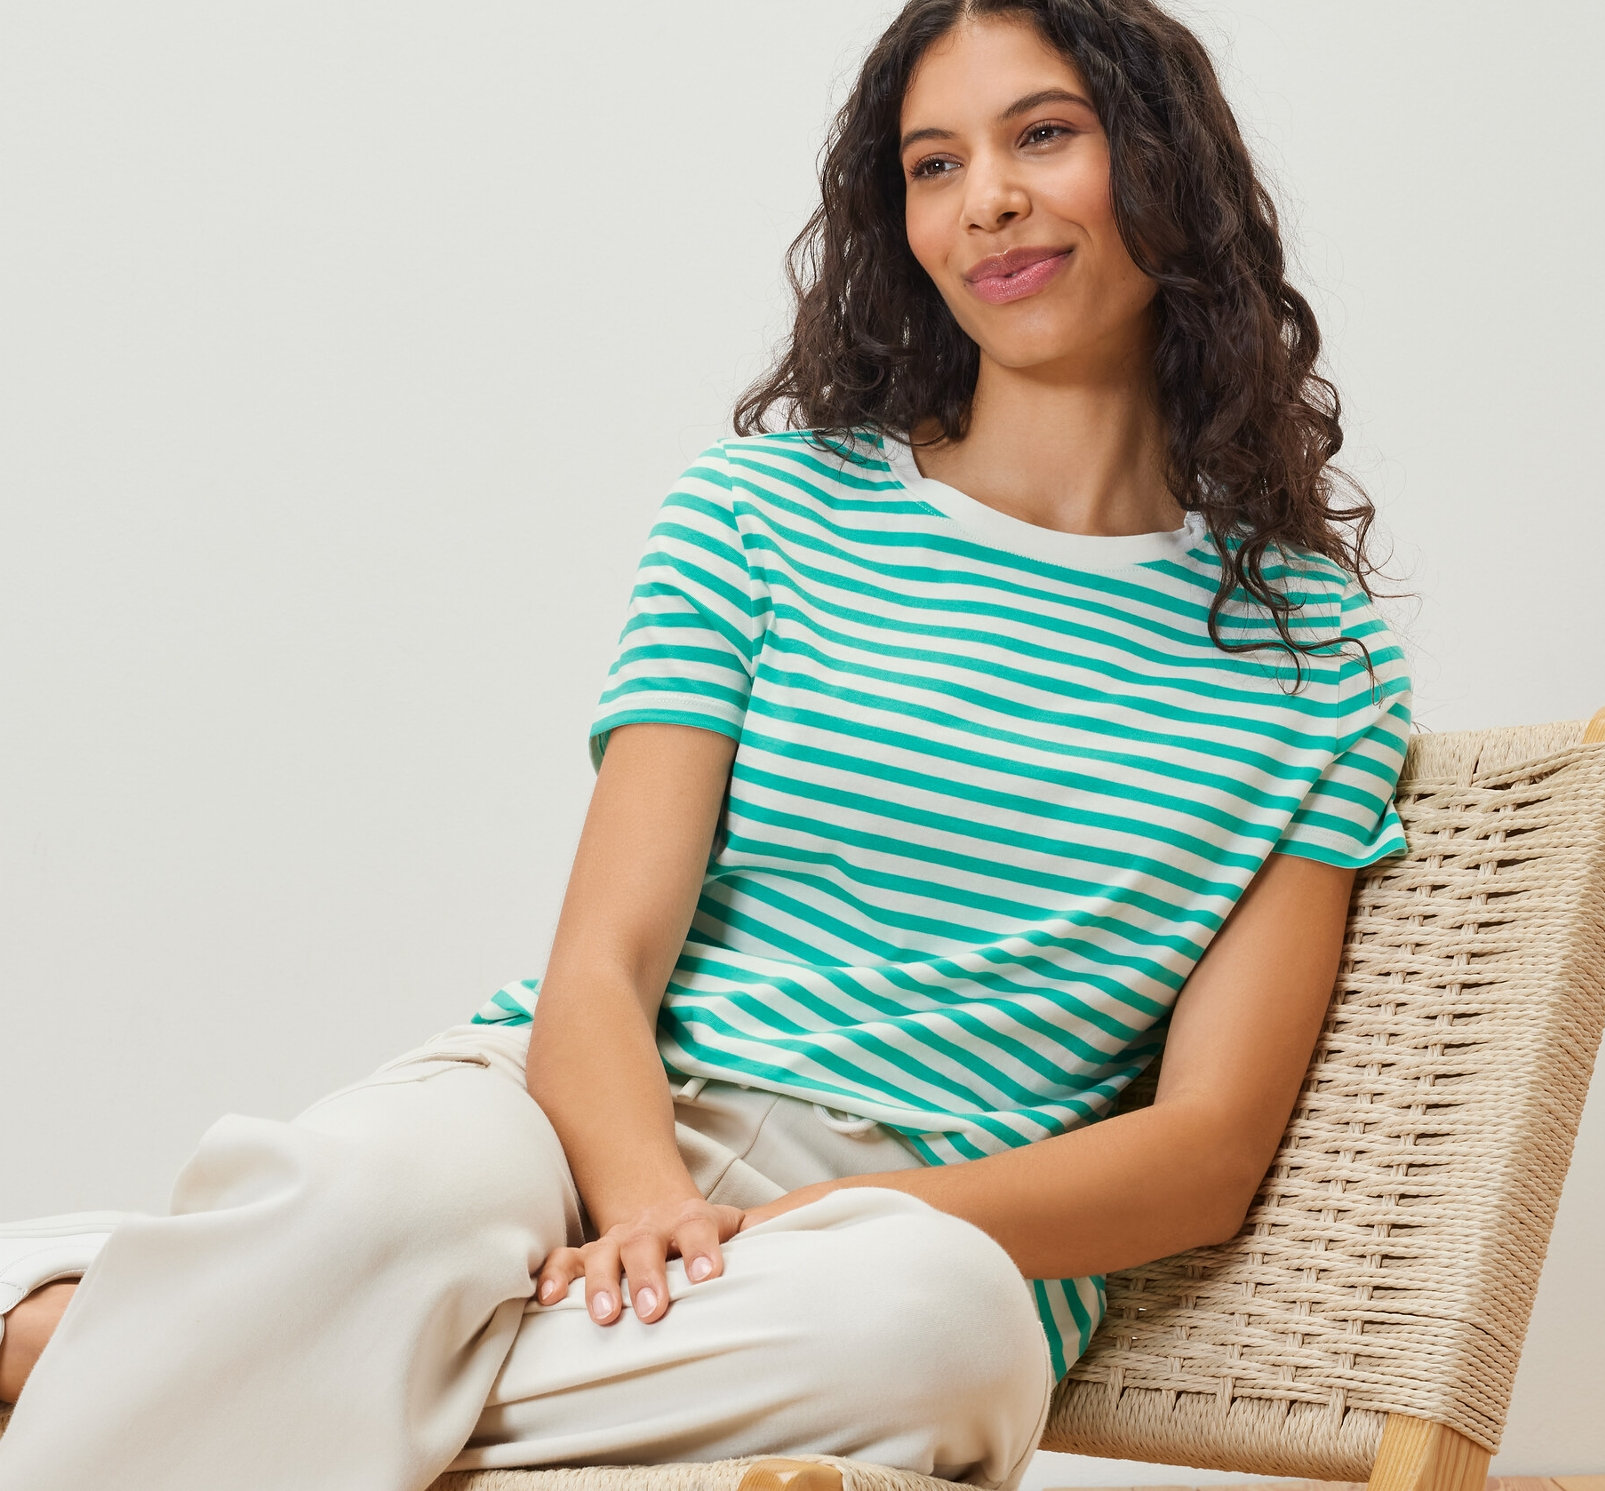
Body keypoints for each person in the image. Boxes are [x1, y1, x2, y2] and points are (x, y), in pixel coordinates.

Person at [0, 2, 1413, 1489]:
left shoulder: (1317, 659)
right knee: (379, 1195)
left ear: (1169, 164)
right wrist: (645, 1211)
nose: (984, 196)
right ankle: (304, 1315)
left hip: (888, 1242)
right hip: (570, 1125)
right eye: (932, 165)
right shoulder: (761, 514)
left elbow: (1202, 1154)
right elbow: (601, 967)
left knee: (939, 1336)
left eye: (1043, 134)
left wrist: (787, 1240)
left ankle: (118, 1341)